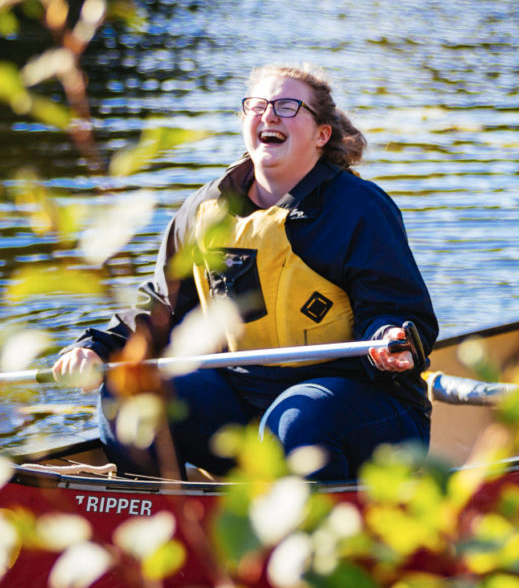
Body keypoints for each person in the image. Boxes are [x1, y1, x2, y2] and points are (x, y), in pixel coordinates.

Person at [52, 63, 438, 481]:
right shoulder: (204, 211)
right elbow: (161, 306)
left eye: (288, 107)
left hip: (356, 408)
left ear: (322, 135)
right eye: (258, 105)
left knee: (294, 420)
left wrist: (388, 341)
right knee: (128, 390)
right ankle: (161, 522)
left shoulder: (360, 209)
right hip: (240, 404)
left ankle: (313, 537)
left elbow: (399, 312)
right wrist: (96, 348)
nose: (269, 115)